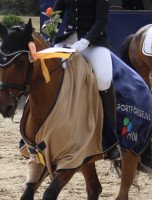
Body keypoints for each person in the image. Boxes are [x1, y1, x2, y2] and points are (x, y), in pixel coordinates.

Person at [53, 0, 120, 161]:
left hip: (94, 41)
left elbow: (101, 20)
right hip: (68, 39)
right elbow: (57, 14)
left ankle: (111, 141)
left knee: (104, 80)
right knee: (48, 69)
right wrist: (50, 28)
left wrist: (86, 41)